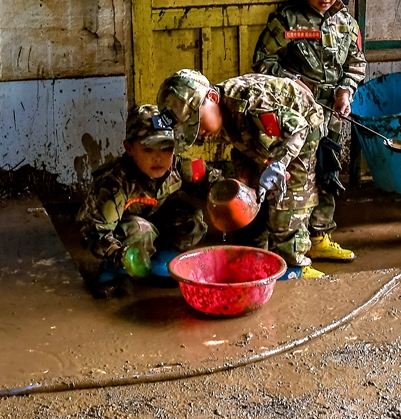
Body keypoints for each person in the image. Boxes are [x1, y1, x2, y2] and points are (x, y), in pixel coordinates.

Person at [253, 0, 366, 262]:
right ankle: (287, 245)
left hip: (331, 119)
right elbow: (262, 61)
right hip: (295, 123)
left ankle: (320, 235)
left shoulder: (347, 24)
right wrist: (293, 83)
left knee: (327, 175)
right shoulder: (286, 21)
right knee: (295, 181)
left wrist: (347, 89)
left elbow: (357, 63)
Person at [157, 69, 328, 277]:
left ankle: (296, 268)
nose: (199, 132)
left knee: (287, 205)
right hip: (263, 139)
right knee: (253, 197)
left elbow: (298, 128)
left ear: (212, 98)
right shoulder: (223, 113)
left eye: (198, 123)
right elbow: (244, 139)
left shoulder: (249, 102)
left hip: (301, 135)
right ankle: (255, 256)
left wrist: (280, 163)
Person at [77, 104, 208, 297]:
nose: (158, 157)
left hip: (152, 218)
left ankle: (158, 262)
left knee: (192, 219)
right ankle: (112, 271)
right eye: (148, 149)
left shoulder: (177, 166)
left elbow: (210, 179)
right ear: (129, 148)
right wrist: (118, 255)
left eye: (166, 148)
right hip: (116, 232)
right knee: (140, 231)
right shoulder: (114, 183)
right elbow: (96, 233)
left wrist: (233, 193)